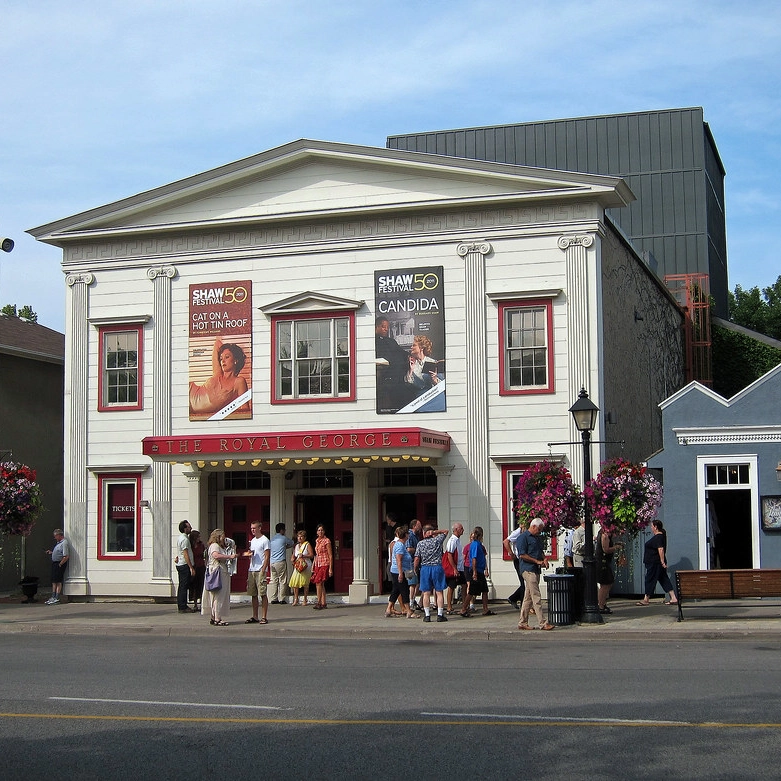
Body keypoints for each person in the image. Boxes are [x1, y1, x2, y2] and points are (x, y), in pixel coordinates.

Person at [189, 337, 250, 417]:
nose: (223, 361)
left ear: (236, 360)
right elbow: (217, 343)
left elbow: (245, 409)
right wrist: (227, 348)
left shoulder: (239, 382)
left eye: (227, 357)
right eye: (221, 358)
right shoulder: (218, 373)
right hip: (189, 392)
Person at [516, 518, 554, 631]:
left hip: (535, 570)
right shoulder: (523, 537)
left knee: (528, 598)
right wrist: (537, 561)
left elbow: (540, 551)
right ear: (533, 526)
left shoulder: (537, 538)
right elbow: (522, 555)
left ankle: (522, 622)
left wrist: (544, 559)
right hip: (528, 570)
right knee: (536, 596)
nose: (540, 532)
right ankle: (543, 623)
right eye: (539, 529)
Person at [413, 524, 450, 623]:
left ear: (424, 533)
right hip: (437, 567)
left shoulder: (420, 544)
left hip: (425, 568)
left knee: (426, 593)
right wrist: (435, 532)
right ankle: (440, 614)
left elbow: (417, 558)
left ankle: (427, 615)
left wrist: (415, 569)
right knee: (439, 592)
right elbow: (446, 531)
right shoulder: (437, 540)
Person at [637, 520, 678, 606]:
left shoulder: (658, 537)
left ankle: (646, 599)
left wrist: (662, 562)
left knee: (650, 579)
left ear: (655, 527)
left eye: (652, 526)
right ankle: (673, 597)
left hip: (655, 563)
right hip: (656, 563)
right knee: (663, 579)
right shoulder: (659, 536)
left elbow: (661, 549)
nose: (651, 528)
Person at [203, 528, 237, 626]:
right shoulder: (214, 546)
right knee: (219, 595)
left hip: (219, 571)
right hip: (218, 572)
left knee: (215, 595)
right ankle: (217, 618)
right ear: (218, 536)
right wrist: (229, 557)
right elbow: (216, 556)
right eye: (222, 536)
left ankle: (214, 617)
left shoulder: (218, 546)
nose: (224, 537)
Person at [460, 526, 495, 617]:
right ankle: (463, 609)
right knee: (472, 591)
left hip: (480, 570)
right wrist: (474, 572)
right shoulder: (475, 544)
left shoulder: (479, 544)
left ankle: (485, 609)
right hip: (476, 571)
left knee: (484, 590)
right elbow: (474, 558)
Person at [385, 525, 419, 619]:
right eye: (407, 534)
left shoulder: (401, 544)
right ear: (405, 535)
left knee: (396, 590)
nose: (409, 535)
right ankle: (408, 611)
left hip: (401, 570)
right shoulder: (399, 545)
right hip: (399, 571)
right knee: (404, 591)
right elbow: (398, 560)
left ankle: (388, 609)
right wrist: (400, 573)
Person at [243, 520, 270, 624]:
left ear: (259, 528)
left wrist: (263, 569)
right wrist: (249, 554)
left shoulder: (265, 540)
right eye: (251, 528)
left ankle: (264, 616)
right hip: (252, 569)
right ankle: (255, 616)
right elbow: (252, 552)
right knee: (253, 594)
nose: (252, 530)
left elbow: (267, 556)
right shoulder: (253, 540)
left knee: (262, 593)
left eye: (254, 528)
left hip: (260, 569)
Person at [595, 528, 622, 614]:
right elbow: (606, 549)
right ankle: (600, 605)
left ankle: (602, 603)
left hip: (604, 562)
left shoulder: (605, 535)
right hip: (602, 563)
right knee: (605, 583)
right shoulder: (604, 535)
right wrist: (616, 547)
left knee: (608, 583)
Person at [269, 523, 294, 604]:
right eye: (284, 529)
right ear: (281, 530)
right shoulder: (283, 538)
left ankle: (273, 598)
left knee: (274, 580)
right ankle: (282, 598)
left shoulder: (272, 539)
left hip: (272, 562)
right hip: (280, 561)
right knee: (282, 580)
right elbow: (292, 543)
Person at [503, 523, 526, 610]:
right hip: (518, 559)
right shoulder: (518, 532)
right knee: (523, 582)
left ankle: (513, 598)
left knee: (525, 582)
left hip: (523, 559)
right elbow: (506, 541)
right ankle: (522, 603)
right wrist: (511, 554)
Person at [174, 520, 195, 613]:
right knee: (183, 586)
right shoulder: (185, 539)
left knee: (182, 586)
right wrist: (191, 567)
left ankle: (182, 605)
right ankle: (182, 606)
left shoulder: (181, 538)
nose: (191, 528)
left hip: (181, 564)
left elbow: (180, 552)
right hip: (184, 565)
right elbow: (185, 553)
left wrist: (178, 556)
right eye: (189, 527)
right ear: (185, 528)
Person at [443, 522, 465, 614]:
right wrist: (454, 568)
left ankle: (464, 605)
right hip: (455, 568)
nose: (463, 530)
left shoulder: (457, 540)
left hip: (460, 567)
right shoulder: (452, 540)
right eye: (461, 529)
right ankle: (449, 606)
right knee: (451, 587)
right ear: (456, 530)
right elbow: (449, 555)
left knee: (464, 584)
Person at [45, 528, 70, 605]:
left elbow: (66, 556)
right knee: (54, 580)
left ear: (59, 535)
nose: (55, 537)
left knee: (58, 580)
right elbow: (58, 552)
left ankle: (57, 597)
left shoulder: (64, 543)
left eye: (55, 536)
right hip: (55, 563)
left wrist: (60, 564)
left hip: (59, 563)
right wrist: (52, 553)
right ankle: (53, 596)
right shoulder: (58, 543)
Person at [311, 524, 334, 610]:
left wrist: (330, 568)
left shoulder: (326, 541)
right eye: (319, 530)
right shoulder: (317, 541)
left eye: (322, 530)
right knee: (321, 583)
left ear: (324, 531)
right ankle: (324, 602)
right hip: (318, 563)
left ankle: (319, 602)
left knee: (318, 582)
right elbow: (316, 555)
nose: (320, 532)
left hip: (325, 563)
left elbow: (330, 555)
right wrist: (313, 565)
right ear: (317, 532)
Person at [289, 529, 314, 606]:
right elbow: (294, 555)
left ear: (305, 537)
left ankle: (305, 599)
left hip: (306, 565)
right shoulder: (296, 546)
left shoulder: (307, 545)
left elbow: (311, 555)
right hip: (298, 565)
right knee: (295, 582)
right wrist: (292, 559)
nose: (299, 538)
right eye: (298, 537)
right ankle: (296, 599)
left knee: (305, 583)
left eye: (301, 537)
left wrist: (304, 556)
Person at [406, 518, 423, 610]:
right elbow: (408, 549)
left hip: (417, 563)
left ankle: (413, 600)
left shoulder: (417, 535)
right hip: (410, 563)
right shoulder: (410, 535)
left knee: (417, 583)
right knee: (412, 583)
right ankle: (411, 602)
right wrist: (419, 550)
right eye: (419, 525)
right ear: (414, 526)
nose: (420, 527)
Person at [188, 529, 206, 611]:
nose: (199, 538)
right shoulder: (190, 546)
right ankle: (195, 603)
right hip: (194, 566)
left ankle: (202, 603)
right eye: (198, 536)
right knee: (194, 585)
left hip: (201, 566)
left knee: (201, 584)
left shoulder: (201, 545)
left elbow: (204, 554)